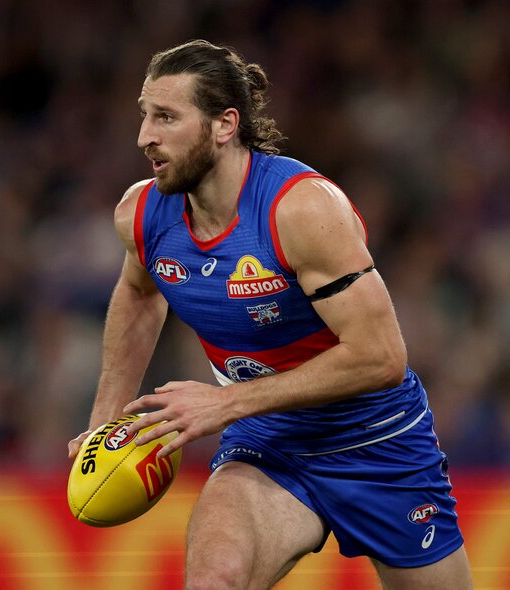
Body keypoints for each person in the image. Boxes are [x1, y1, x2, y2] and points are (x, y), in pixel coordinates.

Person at [67, 39, 473, 589]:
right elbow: (140, 296)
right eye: (144, 115)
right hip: (267, 443)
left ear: (224, 125)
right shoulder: (141, 214)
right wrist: (103, 422)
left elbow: (381, 358)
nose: (145, 137)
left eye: (166, 117)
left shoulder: (302, 209)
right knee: (215, 580)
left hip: (377, 444)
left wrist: (224, 402)